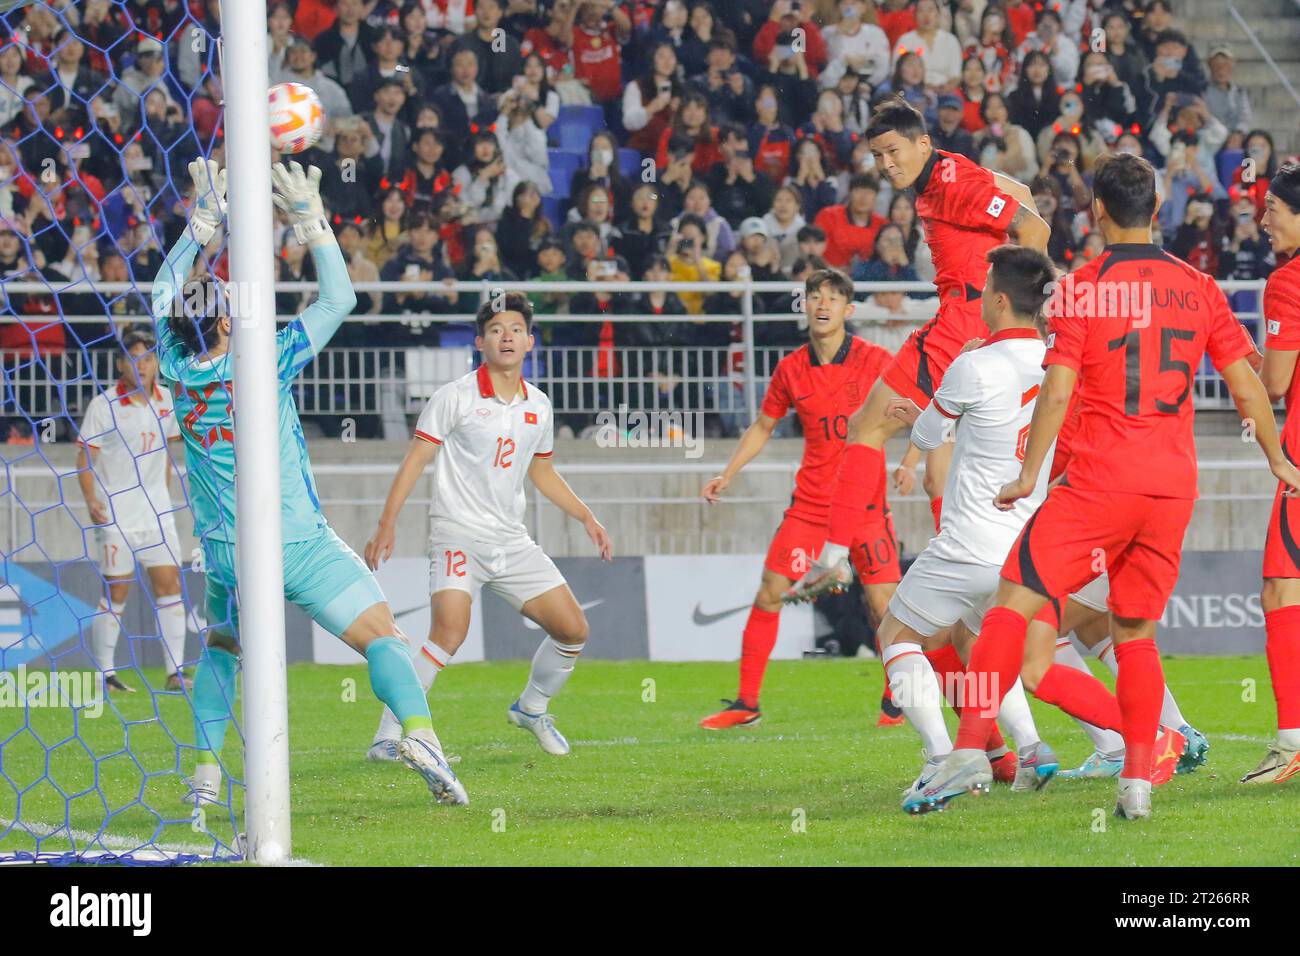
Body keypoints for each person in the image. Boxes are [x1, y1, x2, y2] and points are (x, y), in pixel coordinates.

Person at [918, 153, 1300, 820]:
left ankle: (971, 750)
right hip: (1172, 486)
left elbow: (1059, 389)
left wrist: (1032, 472)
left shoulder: (1081, 288)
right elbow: (1248, 382)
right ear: (1156, 209)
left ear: (1096, 211)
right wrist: (1276, 456)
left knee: (1012, 597)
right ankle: (1138, 786)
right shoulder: (1199, 285)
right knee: (1135, 632)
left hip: (1099, 479)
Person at [153, 159, 466, 807]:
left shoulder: (175, 367)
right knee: (384, 637)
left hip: (223, 551)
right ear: (221, 324)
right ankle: (419, 734)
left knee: (221, 645)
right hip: (293, 540)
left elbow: (160, 296)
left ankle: (207, 772)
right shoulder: (262, 360)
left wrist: (200, 227)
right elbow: (339, 300)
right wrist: (310, 221)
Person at [784, 97, 1048, 605]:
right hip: (981, 321)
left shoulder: (950, 183)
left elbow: (1034, 228)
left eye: (893, 152)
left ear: (922, 144)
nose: (886, 165)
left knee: (867, 426)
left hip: (964, 322)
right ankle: (981, 569)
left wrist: (1023, 311)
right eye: (877, 155)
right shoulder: (945, 173)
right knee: (940, 472)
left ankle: (835, 557)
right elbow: (1021, 194)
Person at [363, 292, 613, 765]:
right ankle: (387, 736)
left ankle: (532, 708)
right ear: (480, 341)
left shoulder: (538, 406)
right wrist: (387, 524)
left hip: (510, 541)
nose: (507, 336)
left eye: (516, 329)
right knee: (448, 634)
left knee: (573, 629)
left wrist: (585, 516)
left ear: (530, 342)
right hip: (457, 534)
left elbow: (541, 472)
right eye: (497, 329)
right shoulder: (454, 396)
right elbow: (417, 457)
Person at [883, 245, 1060, 809]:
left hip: (968, 540)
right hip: (1022, 544)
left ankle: (942, 759)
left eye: (984, 289)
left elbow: (929, 438)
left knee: (895, 635)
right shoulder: (1058, 363)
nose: (979, 296)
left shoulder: (973, 363)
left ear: (1002, 300)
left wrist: (920, 415)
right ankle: (1031, 747)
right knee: (984, 645)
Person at [698, 268, 898, 730]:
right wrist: (727, 473)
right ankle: (747, 704)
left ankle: (896, 700)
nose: (822, 304)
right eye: (814, 297)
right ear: (805, 306)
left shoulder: (876, 360)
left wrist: (908, 461)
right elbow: (764, 425)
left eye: (832, 297)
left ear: (848, 310)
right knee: (769, 594)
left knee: (884, 606)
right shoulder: (790, 368)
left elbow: (915, 408)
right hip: (809, 508)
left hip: (866, 506)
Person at [76, 327, 190, 694]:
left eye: (148, 357)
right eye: (133, 358)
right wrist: (92, 499)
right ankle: (105, 675)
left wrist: (163, 494)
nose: (141, 365)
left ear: (156, 362)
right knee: (117, 591)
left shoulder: (167, 402)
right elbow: (85, 458)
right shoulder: (104, 405)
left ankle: (175, 673)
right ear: (121, 363)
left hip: (157, 513)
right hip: (116, 515)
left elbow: (169, 456)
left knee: (169, 585)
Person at [1252, 162, 1300, 784]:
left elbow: (1275, 381)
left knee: (1281, 592)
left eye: (1274, 210)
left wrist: (1246, 363)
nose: (1264, 219)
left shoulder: (1287, 283)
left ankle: (1290, 743)